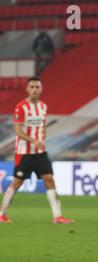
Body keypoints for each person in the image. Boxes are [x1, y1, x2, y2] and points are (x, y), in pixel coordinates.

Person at [0, 76, 74, 224]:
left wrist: (42, 140)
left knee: (49, 180)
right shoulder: (21, 107)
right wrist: (33, 140)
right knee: (17, 183)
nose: (34, 90)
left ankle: (57, 216)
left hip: (40, 153)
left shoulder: (43, 107)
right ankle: (2, 214)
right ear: (27, 89)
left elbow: (42, 127)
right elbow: (18, 131)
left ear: (41, 89)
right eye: (32, 87)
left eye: (37, 87)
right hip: (24, 153)